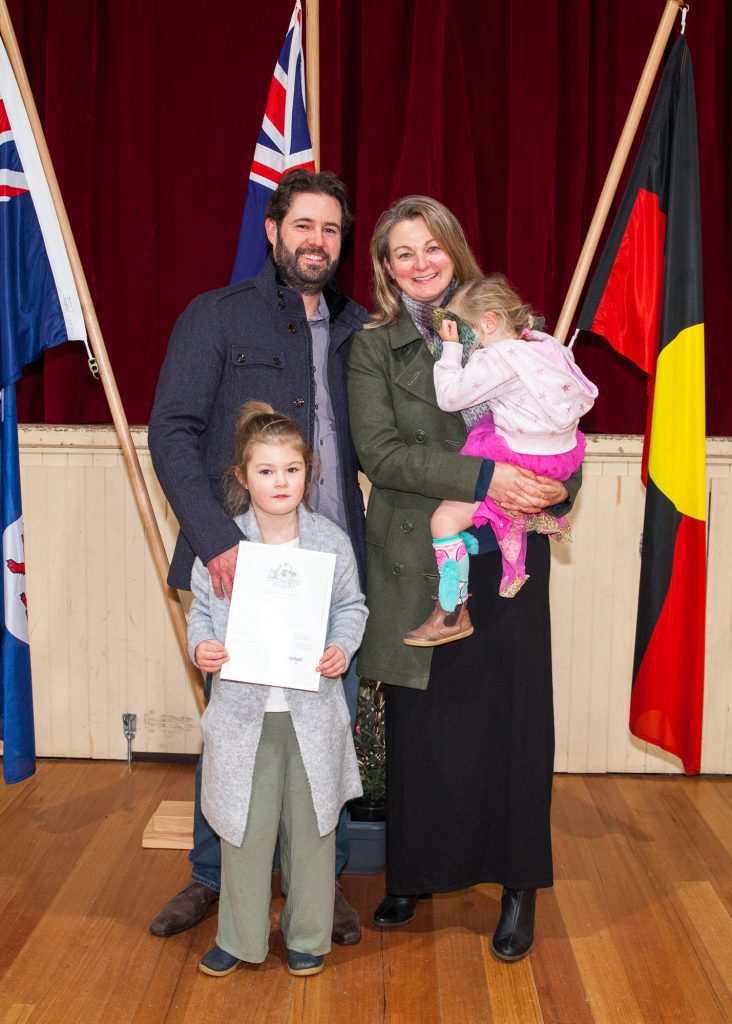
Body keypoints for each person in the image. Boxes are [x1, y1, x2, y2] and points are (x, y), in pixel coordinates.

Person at [347, 196, 582, 962]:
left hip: (508, 553)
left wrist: (556, 488)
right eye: (401, 253)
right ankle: (416, 872)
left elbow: (559, 422)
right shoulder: (373, 345)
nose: (419, 264)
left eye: (430, 247)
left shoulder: (510, 325)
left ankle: (518, 886)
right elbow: (381, 455)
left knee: (512, 720)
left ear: (454, 248)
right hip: (424, 549)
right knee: (425, 721)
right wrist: (487, 478)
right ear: (385, 268)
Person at [148, 169, 367, 946]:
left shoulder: (355, 329)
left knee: (322, 735)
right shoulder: (215, 317)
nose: (317, 241)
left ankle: (320, 886)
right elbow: (170, 430)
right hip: (234, 565)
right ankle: (213, 879)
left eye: (331, 229)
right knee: (235, 736)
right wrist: (215, 541)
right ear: (274, 231)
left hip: (325, 567)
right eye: (303, 225)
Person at [190, 402, 367, 978]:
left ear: (308, 472)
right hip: (245, 715)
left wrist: (341, 645)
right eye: (266, 471)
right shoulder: (221, 544)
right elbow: (200, 612)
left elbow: (351, 606)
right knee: (244, 827)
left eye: (291, 469)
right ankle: (240, 937)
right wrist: (203, 649)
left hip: (312, 712)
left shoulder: (331, 542)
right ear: (243, 477)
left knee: (314, 827)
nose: (280, 481)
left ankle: (309, 934)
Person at [404, 274, 597, 647]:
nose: (467, 343)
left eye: (467, 333)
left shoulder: (500, 357)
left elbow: (450, 396)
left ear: (490, 323)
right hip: (554, 460)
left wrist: (450, 351)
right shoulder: (546, 346)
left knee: (444, 520)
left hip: (513, 456)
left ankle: (452, 611)